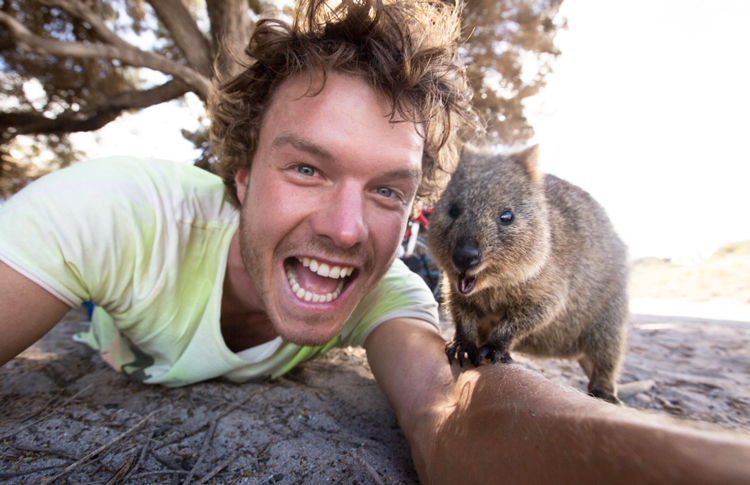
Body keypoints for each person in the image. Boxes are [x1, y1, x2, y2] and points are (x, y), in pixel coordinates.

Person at [1, 0, 749, 483]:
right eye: (305, 166)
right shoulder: (115, 213)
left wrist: (704, 461)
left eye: (387, 187)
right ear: (240, 173)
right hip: (111, 328)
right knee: (95, 331)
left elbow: (453, 413)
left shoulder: (382, 283)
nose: (347, 228)